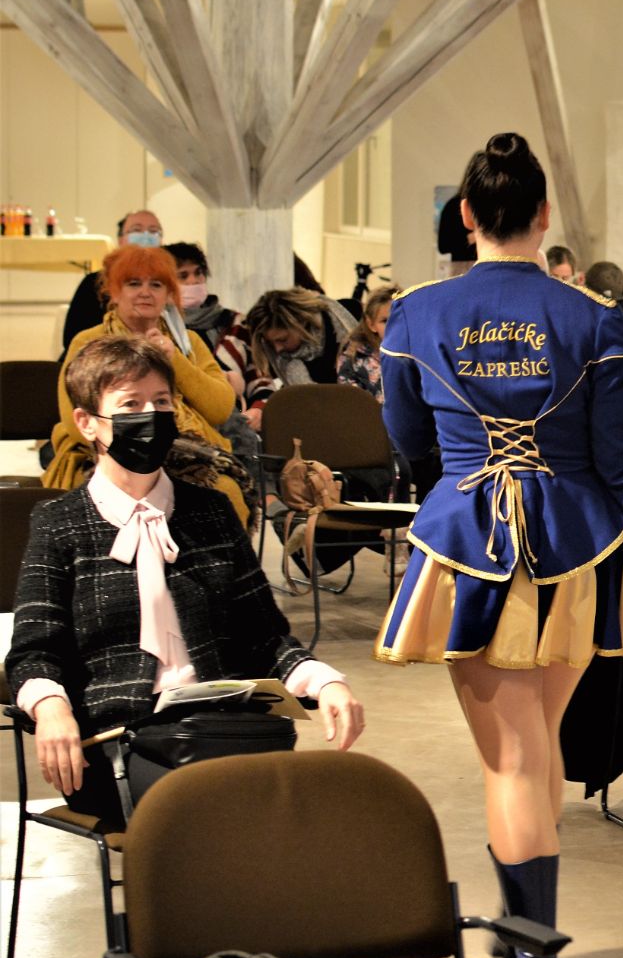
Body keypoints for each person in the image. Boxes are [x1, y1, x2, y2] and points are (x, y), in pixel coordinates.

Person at [377, 133, 623, 958]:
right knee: (536, 743)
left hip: (471, 541)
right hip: (580, 547)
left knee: (509, 757)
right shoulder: (594, 316)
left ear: (467, 216)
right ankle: (521, 927)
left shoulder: (416, 313)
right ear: (544, 216)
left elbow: (408, 440)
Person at [9, 335, 364, 827]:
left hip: (222, 730)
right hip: (119, 743)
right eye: (131, 405)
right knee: (222, 814)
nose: (151, 416)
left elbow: (264, 637)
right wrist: (51, 708)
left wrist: (326, 683)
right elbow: (34, 651)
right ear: (87, 422)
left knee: (319, 805)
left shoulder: (211, 512)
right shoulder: (59, 524)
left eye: (161, 402)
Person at [45, 244, 247, 523]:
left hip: (187, 451)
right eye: (133, 283)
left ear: (168, 294)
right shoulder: (88, 342)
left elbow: (221, 409)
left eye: (156, 285)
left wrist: (175, 360)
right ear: (114, 292)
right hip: (105, 452)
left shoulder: (187, 342)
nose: (145, 292)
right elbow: (73, 420)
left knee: (225, 491)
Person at [236, 286, 342, 432]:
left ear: (301, 323)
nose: (277, 349)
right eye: (271, 343)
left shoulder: (339, 330)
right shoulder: (278, 354)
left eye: (283, 339)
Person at [61, 210, 164, 347]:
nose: (145, 293)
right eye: (137, 230)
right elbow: (72, 336)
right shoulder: (94, 282)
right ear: (120, 240)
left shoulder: (170, 281)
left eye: (153, 231)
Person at [166, 241, 237, 358]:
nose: (194, 280)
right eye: (183, 276)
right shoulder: (161, 326)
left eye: (198, 272)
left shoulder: (232, 322)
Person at [336, 285, 394, 401]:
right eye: (385, 321)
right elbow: (350, 402)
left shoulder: (421, 351)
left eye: (399, 318)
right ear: (371, 324)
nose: (394, 325)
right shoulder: (354, 357)